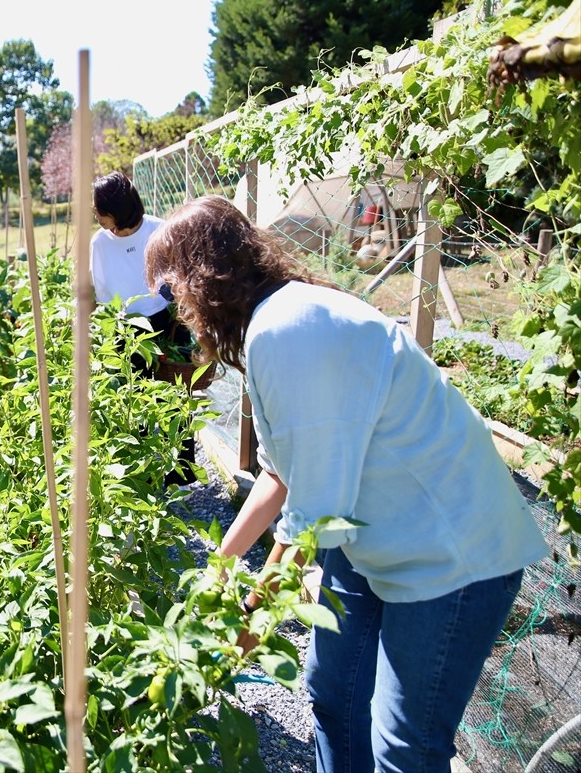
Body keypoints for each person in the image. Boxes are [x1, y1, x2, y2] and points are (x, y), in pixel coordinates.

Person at [143, 195, 548, 773]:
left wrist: (248, 625)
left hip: (449, 550)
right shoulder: (275, 324)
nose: (177, 311)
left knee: (403, 745)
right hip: (375, 532)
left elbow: (315, 512)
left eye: (172, 290)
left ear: (200, 278)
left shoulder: (288, 331)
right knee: (333, 693)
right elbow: (282, 473)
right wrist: (220, 566)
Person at [91, 171, 198, 482]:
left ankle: (182, 472)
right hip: (124, 328)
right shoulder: (99, 243)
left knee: (175, 395)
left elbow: (179, 276)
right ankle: (139, 476)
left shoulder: (157, 230)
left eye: (99, 209)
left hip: (165, 321)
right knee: (130, 400)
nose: (95, 215)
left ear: (117, 209)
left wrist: (178, 307)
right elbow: (101, 292)